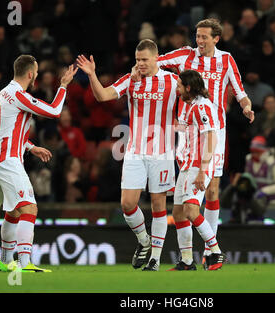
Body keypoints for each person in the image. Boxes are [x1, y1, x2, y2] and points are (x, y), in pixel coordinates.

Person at [140, 18, 254, 269]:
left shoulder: (226, 60)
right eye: (197, 36)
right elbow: (157, 62)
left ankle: (211, 251)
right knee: (182, 205)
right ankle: (190, 257)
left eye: (204, 37)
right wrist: (141, 67)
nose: (199, 41)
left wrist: (246, 106)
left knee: (211, 191)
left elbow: (239, 89)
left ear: (216, 39)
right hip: (188, 131)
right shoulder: (184, 56)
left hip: (214, 131)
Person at [76, 39, 178, 271]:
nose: (140, 64)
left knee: (158, 203)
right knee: (128, 203)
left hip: (162, 152)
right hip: (135, 150)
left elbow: (194, 96)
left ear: (156, 58)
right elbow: (102, 96)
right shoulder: (130, 81)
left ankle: (155, 258)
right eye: (137, 60)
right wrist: (92, 75)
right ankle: (144, 241)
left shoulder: (172, 81)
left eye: (144, 59)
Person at [0, 54, 77, 272]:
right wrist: (63, 86)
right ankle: (24, 262)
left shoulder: (4, 93)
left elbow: (7, 131)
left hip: (0, 160)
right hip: (8, 161)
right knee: (30, 208)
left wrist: (31, 147)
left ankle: (4, 261)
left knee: (13, 212)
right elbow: (55, 111)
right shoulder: (19, 95)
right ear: (30, 74)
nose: (37, 75)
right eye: (36, 72)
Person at [169, 69, 225, 271]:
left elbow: (211, 138)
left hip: (198, 165)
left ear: (188, 87)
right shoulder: (192, 105)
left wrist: (203, 170)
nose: (177, 89)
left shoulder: (202, 107)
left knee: (191, 210)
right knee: (178, 212)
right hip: (186, 165)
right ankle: (186, 261)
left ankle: (216, 251)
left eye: (179, 86)